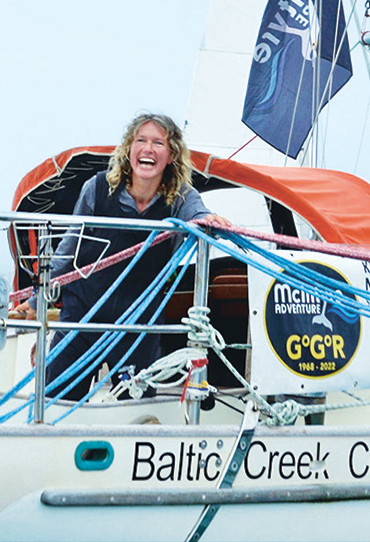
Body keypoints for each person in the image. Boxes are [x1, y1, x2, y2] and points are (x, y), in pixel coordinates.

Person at [14, 113, 230, 400]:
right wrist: (36, 298)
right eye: (140, 140)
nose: (148, 149)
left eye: (158, 143)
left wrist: (207, 220)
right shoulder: (96, 188)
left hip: (138, 326)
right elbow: (68, 250)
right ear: (129, 150)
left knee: (137, 408)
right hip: (83, 317)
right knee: (54, 401)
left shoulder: (180, 197)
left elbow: (197, 214)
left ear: (171, 156)